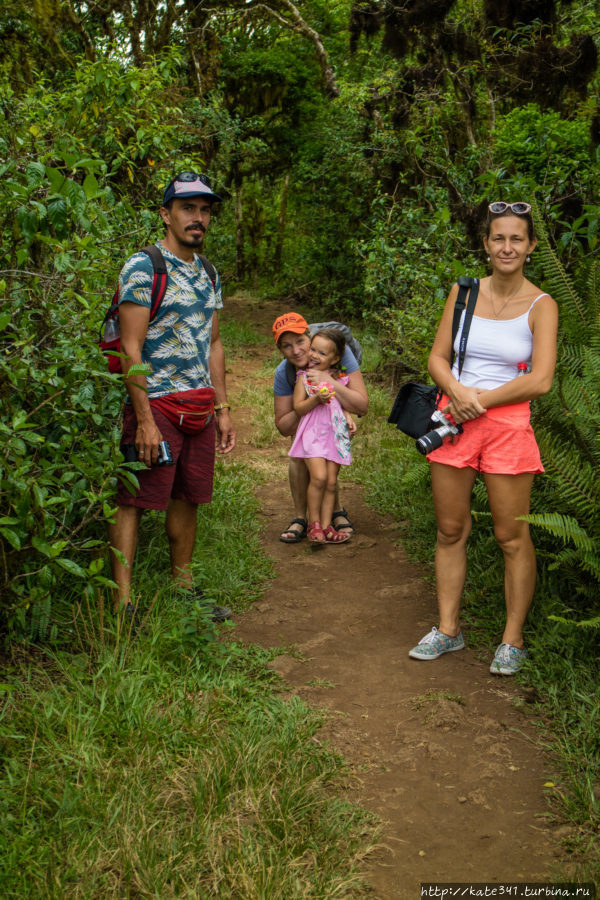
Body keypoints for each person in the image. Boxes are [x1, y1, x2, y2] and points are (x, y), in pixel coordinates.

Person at [408, 201, 558, 675]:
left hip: (506, 426)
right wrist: (456, 391)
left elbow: (541, 380)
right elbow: (437, 357)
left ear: (531, 246)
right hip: (453, 418)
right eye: (498, 238)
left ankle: (512, 640)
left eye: (517, 238)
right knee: (450, 529)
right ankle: (448, 630)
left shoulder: (541, 305)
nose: (507, 247)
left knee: (510, 535)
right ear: (487, 243)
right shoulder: (465, 292)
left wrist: (481, 401)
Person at [108, 171, 235, 621]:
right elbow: (130, 347)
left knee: (188, 496)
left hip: (198, 405)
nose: (197, 218)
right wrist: (142, 418)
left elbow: (213, 343)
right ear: (166, 214)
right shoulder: (143, 267)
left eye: (204, 210)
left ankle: (183, 590)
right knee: (136, 499)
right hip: (156, 402)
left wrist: (222, 406)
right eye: (187, 208)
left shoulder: (209, 272)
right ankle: (122, 603)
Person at [272, 312, 369, 542]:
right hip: (308, 418)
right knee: (302, 454)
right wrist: (311, 402)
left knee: (329, 473)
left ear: (310, 337)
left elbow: (362, 406)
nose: (296, 351)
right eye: (286, 346)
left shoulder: (339, 354)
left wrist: (330, 384)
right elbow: (283, 427)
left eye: (300, 342)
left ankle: (333, 512)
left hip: (332, 420)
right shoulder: (284, 372)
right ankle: (301, 517)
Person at [289, 329, 356, 543]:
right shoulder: (304, 378)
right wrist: (317, 398)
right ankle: (314, 524)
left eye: (323, 353)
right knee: (318, 477)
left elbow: (340, 404)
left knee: (330, 482)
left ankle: (327, 528)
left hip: (335, 434)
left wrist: (348, 417)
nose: (315, 356)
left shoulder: (338, 380)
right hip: (313, 434)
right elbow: (299, 408)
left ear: (335, 358)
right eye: (314, 350)